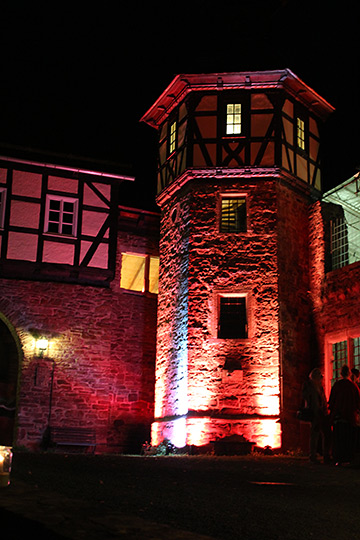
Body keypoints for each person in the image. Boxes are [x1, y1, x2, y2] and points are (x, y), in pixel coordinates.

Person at [329, 364, 360, 466]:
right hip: (350, 417)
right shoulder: (353, 387)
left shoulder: (337, 385)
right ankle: (347, 459)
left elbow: (332, 401)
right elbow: (358, 402)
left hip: (339, 417)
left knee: (339, 439)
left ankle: (338, 459)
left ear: (341, 374)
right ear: (349, 374)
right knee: (348, 439)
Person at [302, 368, 331, 463]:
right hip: (314, 412)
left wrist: (325, 410)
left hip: (321, 412)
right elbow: (307, 398)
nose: (321, 378)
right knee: (314, 434)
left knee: (325, 433)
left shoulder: (319, 386)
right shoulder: (309, 386)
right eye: (319, 375)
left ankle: (326, 455)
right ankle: (313, 455)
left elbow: (322, 398)